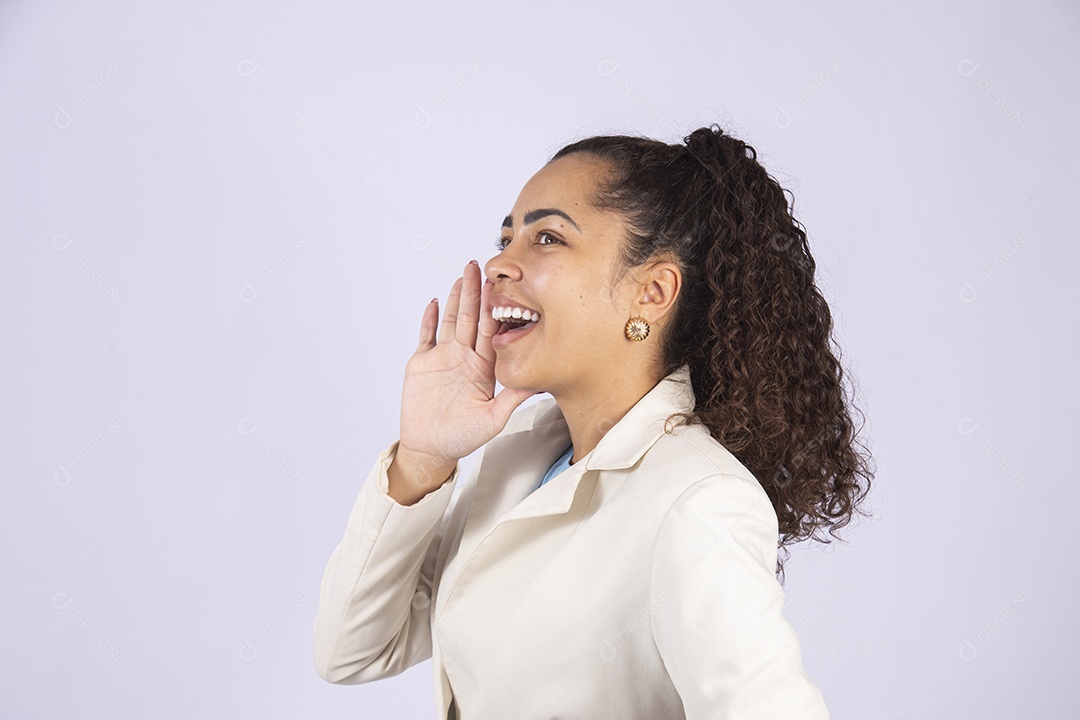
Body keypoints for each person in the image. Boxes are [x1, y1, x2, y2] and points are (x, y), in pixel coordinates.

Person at [312, 124, 874, 719]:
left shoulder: (699, 499)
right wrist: (422, 460)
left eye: (547, 237)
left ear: (653, 292)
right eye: (506, 237)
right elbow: (352, 651)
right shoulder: (523, 463)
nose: (501, 262)